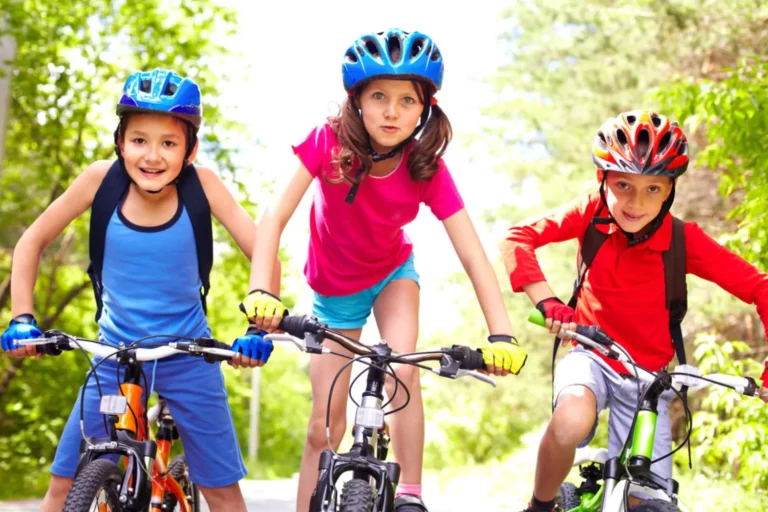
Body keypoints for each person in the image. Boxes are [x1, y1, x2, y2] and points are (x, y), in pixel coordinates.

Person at [241, 28, 528, 512]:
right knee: (323, 425)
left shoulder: (425, 166)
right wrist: (259, 292)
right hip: (333, 290)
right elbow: (274, 216)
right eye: (378, 96)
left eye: (406, 100)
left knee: (402, 369)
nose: (392, 111)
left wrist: (501, 335)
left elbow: (473, 253)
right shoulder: (328, 141)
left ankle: (411, 495)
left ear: (425, 109)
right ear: (356, 100)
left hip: (392, 274)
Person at [1, 68, 276, 512]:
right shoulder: (99, 180)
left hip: (188, 357)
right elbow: (31, 241)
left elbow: (263, 247)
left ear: (190, 149)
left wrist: (259, 327)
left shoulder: (203, 186)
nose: (152, 155)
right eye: (139, 140)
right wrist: (22, 318)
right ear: (120, 142)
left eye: (168, 142)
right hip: (113, 355)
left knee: (222, 492)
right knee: (62, 486)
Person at [500, 110, 768, 512]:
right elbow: (516, 237)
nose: (635, 203)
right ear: (602, 180)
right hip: (593, 353)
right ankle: (540, 505)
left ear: (670, 190)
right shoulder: (590, 214)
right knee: (571, 419)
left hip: (650, 379)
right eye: (623, 185)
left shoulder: (682, 239)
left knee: (651, 499)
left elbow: (759, 288)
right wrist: (549, 301)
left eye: (652, 189)